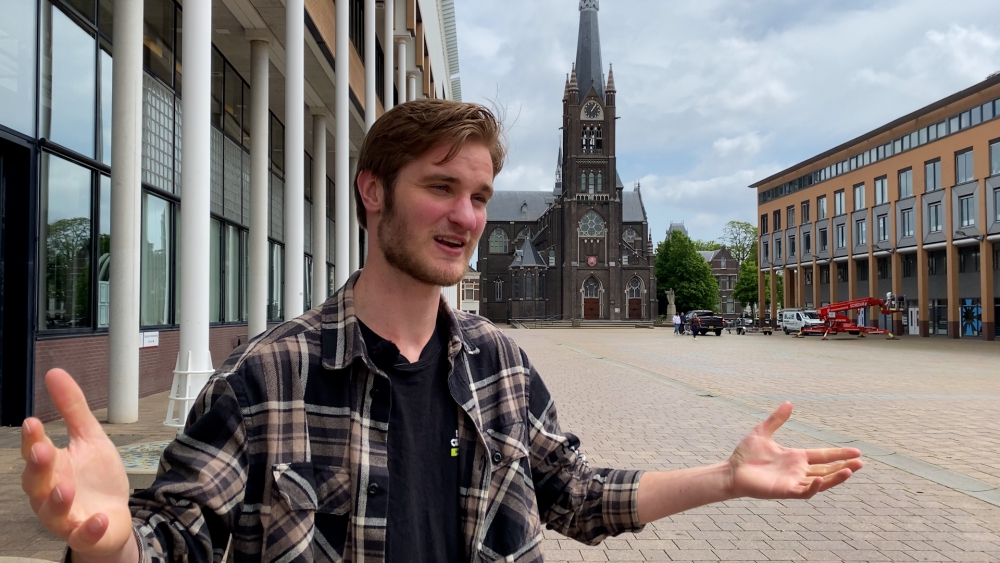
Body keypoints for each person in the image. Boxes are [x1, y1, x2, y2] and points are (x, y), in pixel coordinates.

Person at [21, 100, 863, 563]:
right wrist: (114, 541)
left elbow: (576, 493)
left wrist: (724, 477)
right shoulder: (266, 376)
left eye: (482, 195)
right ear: (373, 190)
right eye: (440, 187)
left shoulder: (499, 365)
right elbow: (177, 541)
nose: (467, 217)